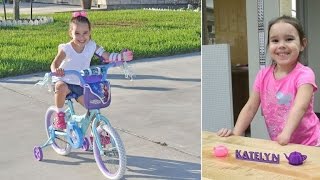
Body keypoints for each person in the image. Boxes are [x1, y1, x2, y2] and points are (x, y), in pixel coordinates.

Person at [217, 15, 320, 146]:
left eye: (289, 39)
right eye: (275, 40)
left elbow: (300, 107)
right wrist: (236, 134)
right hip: (283, 144)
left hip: (310, 143)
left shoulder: (305, 74)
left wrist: (286, 134)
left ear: (302, 44)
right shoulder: (263, 75)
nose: (281, 45)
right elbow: (250, 107)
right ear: (269, 45)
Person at [51, 11, 133, 130]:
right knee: (61, 88)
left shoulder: (92, 45)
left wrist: (120, 57)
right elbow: (55, 63)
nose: (81, 37)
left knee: (93, 107)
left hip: (80, 82)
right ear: (71, 33)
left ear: (90, 32)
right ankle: (59, 115)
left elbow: (107, 56)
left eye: (85, 33)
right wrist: (56, 70)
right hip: (64, 79)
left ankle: (98, 132)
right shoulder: (66, 49)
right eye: (77, 33)